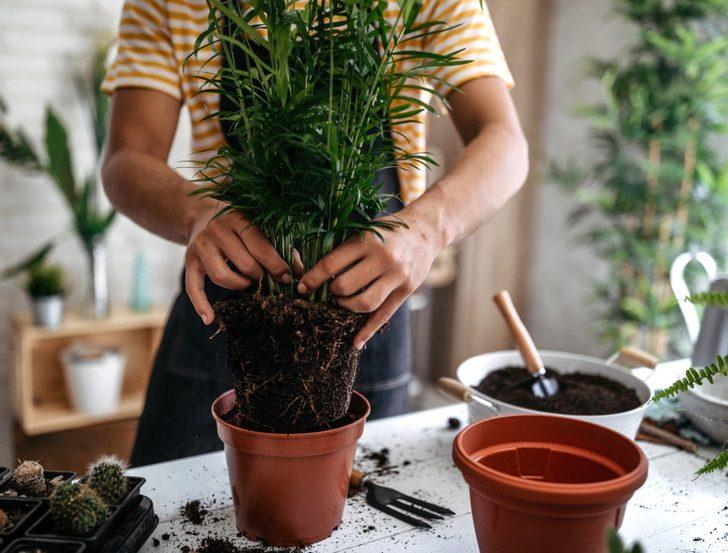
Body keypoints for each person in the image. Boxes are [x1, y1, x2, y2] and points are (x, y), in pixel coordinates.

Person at [101, 0, 528, 466]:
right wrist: (196, 214)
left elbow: (504, 140)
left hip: (366, 309)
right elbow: (127, 158)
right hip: (231, 306)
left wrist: (424, 231)